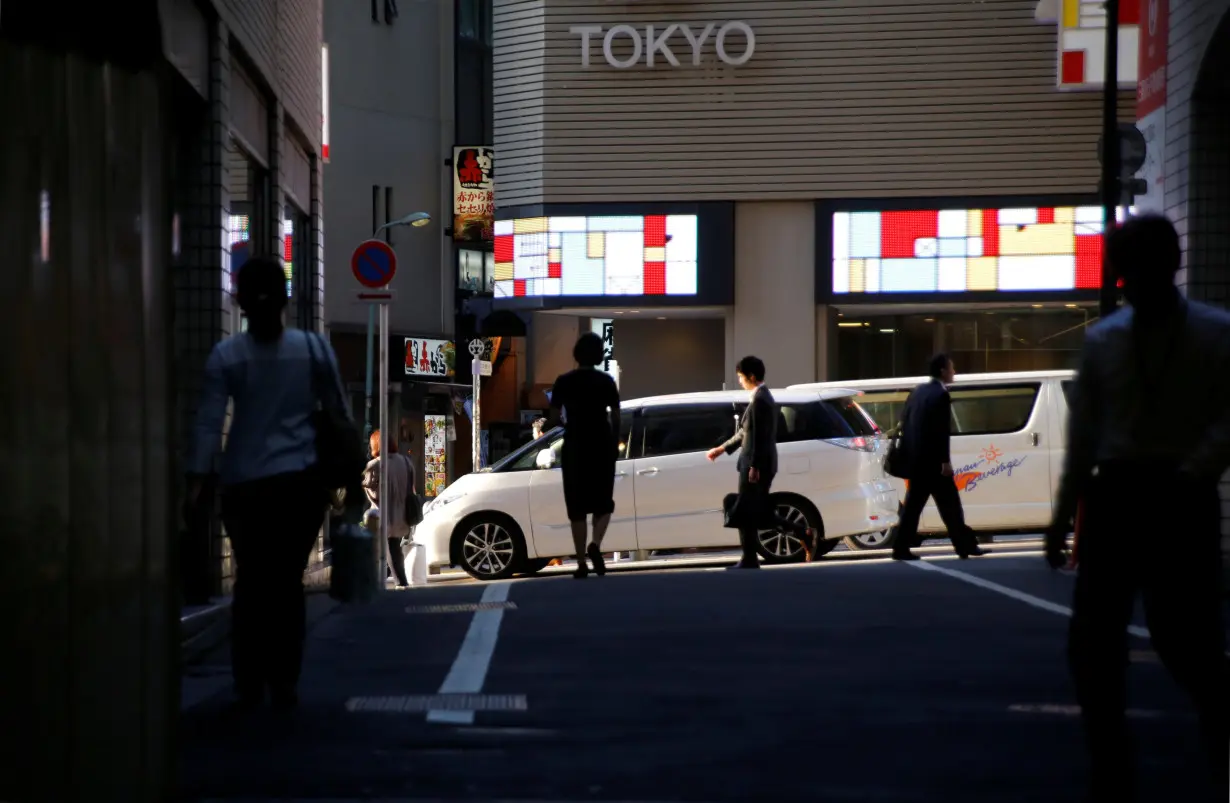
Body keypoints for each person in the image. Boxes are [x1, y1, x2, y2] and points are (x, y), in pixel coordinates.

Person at [1045, 214, 1230, 802]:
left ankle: (1113, 772)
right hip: (1181, 498)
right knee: (1185, 638)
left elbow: (1083, 440)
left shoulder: (1107, 339)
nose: (1126, 282)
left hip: (1123, 497)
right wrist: (1197, 470)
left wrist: (1064, 516)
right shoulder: (1216, 331)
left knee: (1099, 644)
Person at [185, 255, 346, 710]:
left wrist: (195, 484)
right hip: (300, 484)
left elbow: (207, 424)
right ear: (286, 298)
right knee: (287, 581)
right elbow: (338, 416)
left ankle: (248, 678)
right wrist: (347, 480)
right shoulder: (313, 350)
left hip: (245, 486)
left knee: (251, 581)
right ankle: (284, 679)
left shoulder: (227, 355)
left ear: (237, 300)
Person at [707, 356, 819, 569]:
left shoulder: (760, 400)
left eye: (741, 377)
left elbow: (759, 436)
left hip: (756, 465)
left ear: (751, 376)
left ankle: (750, 558)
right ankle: (801, 532)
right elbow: (745, 432)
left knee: (743, 509)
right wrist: (722, 449)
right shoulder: (760, 398)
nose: (739, 381)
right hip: (756, 463)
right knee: (755, 510)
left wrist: (754, 466)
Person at [890, 354, 986, 562]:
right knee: (951, 506)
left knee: (913, 508)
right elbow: (941, 431)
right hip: (934, 464)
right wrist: (945, 462)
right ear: (943, 371)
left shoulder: (918, 391)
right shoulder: (940, 395)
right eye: (952, 368)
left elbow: (905, 423)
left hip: (917, 461)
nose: (954, 372)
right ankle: (965, 547)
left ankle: (900, 548)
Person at [547, 332, 621, 579]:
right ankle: (595, 545)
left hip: (575, 446)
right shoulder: (606, 381)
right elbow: (617, 417)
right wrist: (613, 444)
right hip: (601, 445)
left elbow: (554, 418)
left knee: (576, 507)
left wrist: (568, 423)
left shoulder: (564, 381)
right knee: (603, 502)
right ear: (599, 355)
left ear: (576, 354)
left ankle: (580, 562)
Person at [363, 429, 414, 589]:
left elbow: (372, 491)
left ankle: (398, 581)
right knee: (393, 546)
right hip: (403, 512)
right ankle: (394, 580)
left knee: (386, 548)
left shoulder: (375, 464)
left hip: (383, 513)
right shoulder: (406, 461)